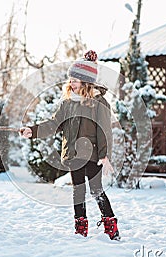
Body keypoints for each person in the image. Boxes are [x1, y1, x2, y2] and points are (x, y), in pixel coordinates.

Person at [20, 50, 120, 240]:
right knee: (78, 190)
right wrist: (32, 131)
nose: (71, 83)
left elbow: (104, 131)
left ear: (86, 82)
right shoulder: (67, 104)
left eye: (75, 79)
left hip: (92, 155)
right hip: (73, 155)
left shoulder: (99, 103)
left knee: (96, 189)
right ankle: (80, 228)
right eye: (71, 79)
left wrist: (104, 155)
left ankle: (110, 226)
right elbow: (53, 124)